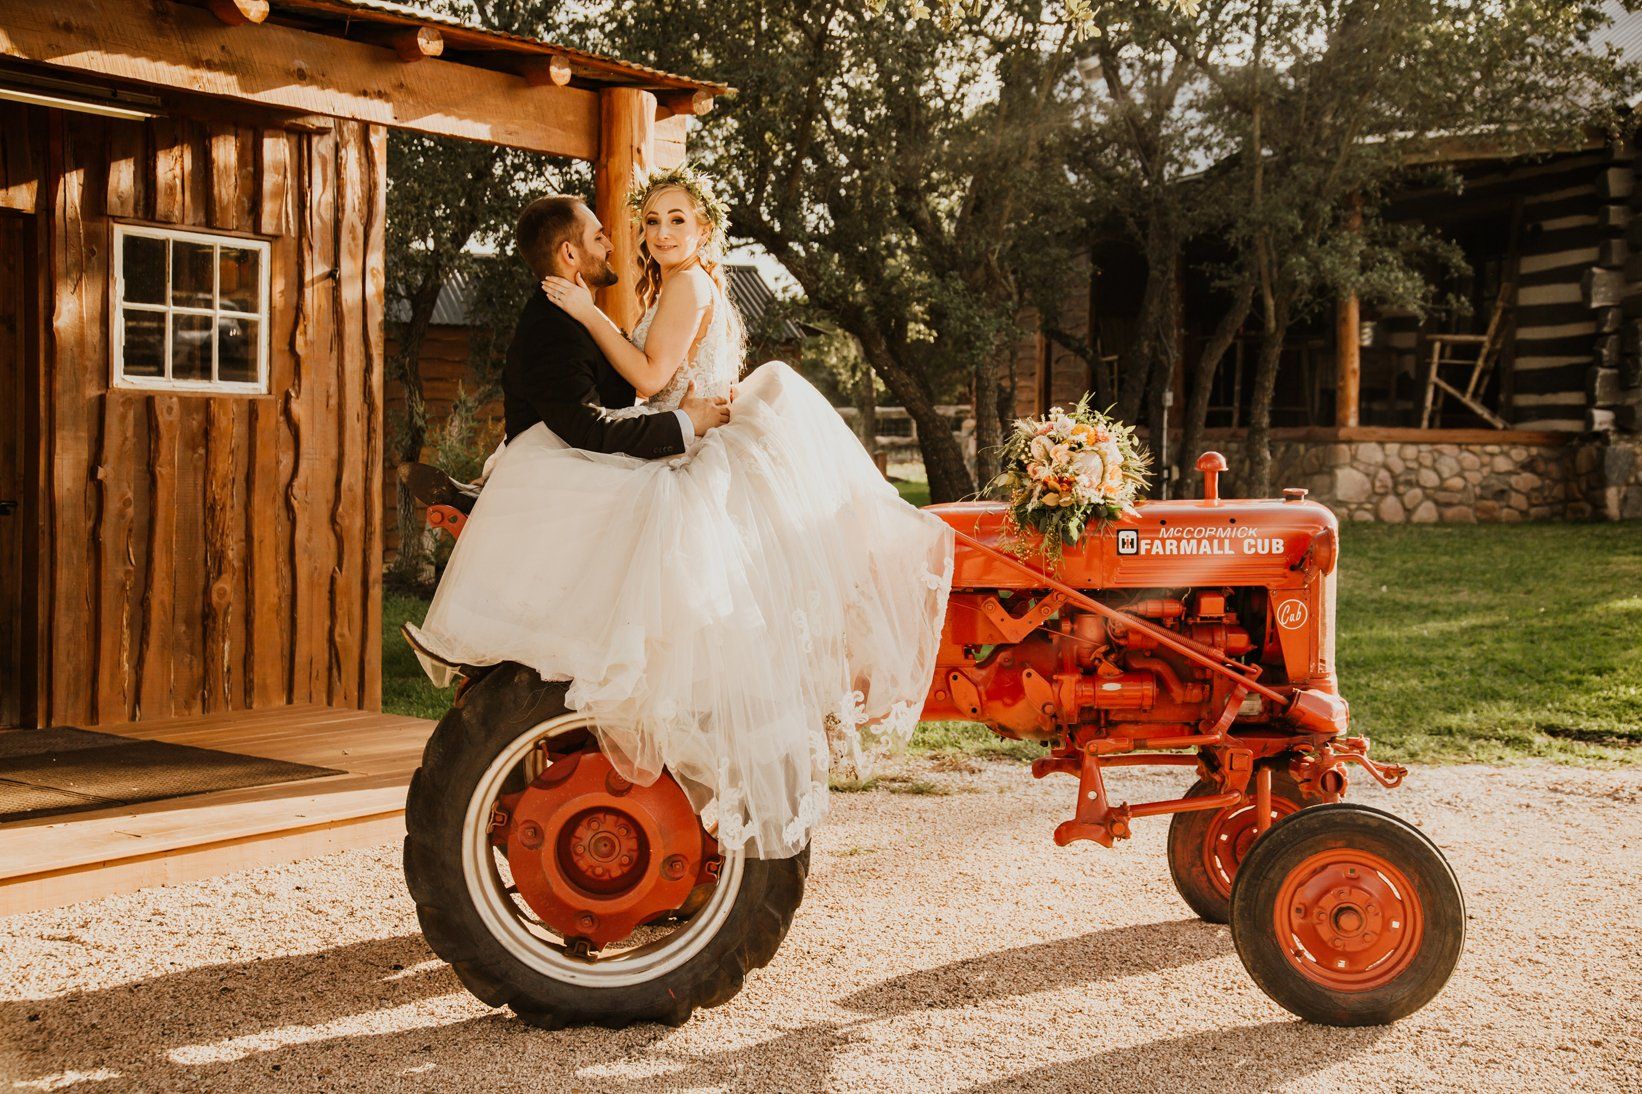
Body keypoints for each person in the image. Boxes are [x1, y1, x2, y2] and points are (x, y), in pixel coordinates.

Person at [406, 169, 953, 859]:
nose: (659, 233)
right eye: (650, 222)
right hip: (672, 430)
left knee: (644, 571)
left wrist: (586, 312)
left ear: (704, 230)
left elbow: (648, 379)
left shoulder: (688, 285)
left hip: (684, 441)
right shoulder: (676, 285)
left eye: (676, 221)